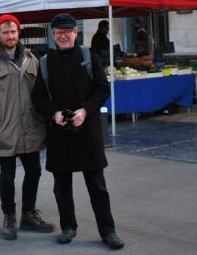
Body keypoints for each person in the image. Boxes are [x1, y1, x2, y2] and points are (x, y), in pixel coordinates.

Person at [32, 13, 124, 250]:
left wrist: (85, 110)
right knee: (61, 186)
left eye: (67, 32)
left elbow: (102, 89)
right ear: (54, 35)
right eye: (59, 32)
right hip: (59, 132)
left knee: (97, 185)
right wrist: (54, 114)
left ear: (76, 33)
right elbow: (38, 97)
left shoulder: (89, 57)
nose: (63, 36)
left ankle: (108, 230)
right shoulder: (45, 62)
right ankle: (68, 227)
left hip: (87, 131)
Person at [0, 14, 55, 241]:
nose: (10, 36)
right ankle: (9, 217)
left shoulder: (31, 59)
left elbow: (41, 93)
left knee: (34, 171)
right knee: (7, 175)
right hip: (5, 131)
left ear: (18, 33)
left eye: (13, 32)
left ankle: (28, 215)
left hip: (30, 129)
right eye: (5, 32)